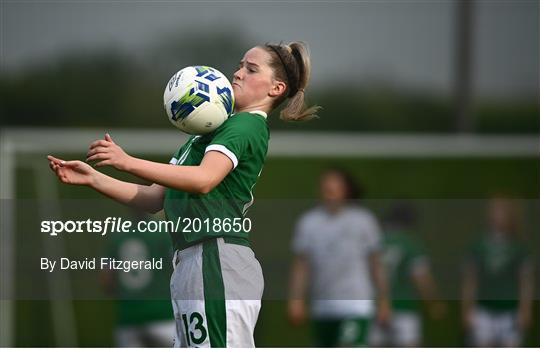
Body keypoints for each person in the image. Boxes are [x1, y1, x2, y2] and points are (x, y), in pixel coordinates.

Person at [48, 41, 320, 347]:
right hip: (193, 261)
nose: (238, 73)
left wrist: (127, 161)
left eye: (251, 69)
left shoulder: (245, 125)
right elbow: (154, 199)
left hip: (216, 260)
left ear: (276, 88)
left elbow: (204, 179)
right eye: (240, 65)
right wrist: (95, 179)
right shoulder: (211, 131)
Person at [288, 167, 390, 347]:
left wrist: (383, 299)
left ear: (345, 190)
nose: (330, 193)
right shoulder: (309, 222)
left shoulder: (363, 220)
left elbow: (376, 263)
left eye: (335, 188)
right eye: (326, 188)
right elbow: (301, 266)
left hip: (356, 303)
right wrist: (296, 300)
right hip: (323, 305)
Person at [369, 202, 445, 347]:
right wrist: (433, 302)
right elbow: (421, 278)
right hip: (405, 308)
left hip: (377, 307)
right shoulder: (411, 244)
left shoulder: (377, 241)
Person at [462, 196, 534, 347]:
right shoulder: (478, 247)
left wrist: (525, 310)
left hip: (510, 311)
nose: (497, 216)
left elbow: (525, 282)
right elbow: (470, 280)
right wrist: (468, 309)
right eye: (495, 211)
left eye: (502, 212)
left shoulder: (519, 249)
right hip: (484, 310)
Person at [101, 210, 175, 347]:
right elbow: (177, 268)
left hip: (128, 316)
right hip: (163, 314)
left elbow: (106, 279)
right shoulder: (163, 232)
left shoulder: (118, 235)